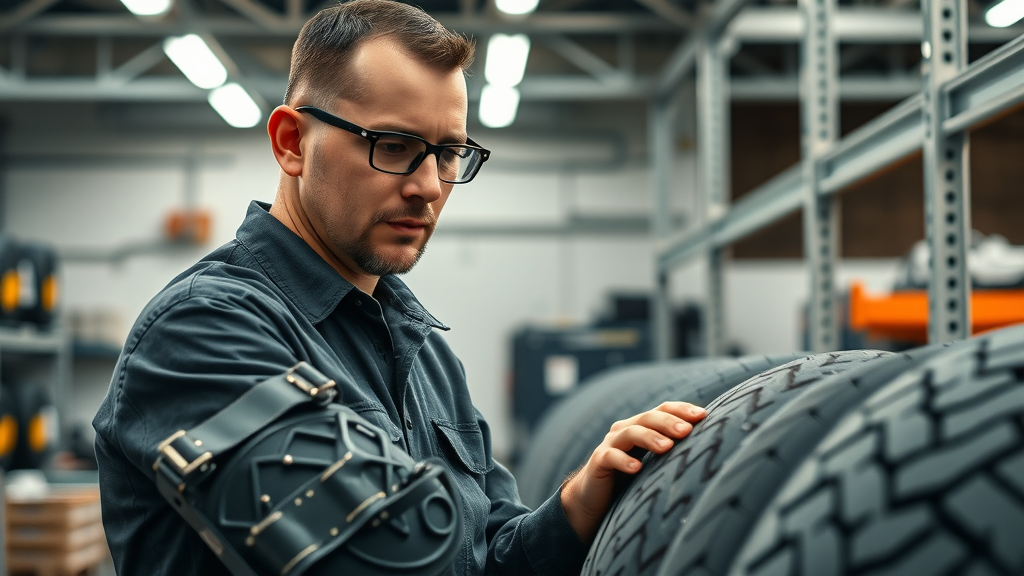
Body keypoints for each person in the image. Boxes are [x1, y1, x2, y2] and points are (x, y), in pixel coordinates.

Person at [92, 1, 708, 574]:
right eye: (394, 146)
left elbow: (485, 553)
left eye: (447, 153)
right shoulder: (202, 333)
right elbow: (387, 557)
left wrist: (575, 506)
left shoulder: (425, 354)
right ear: (291, 143)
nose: (430, 186)